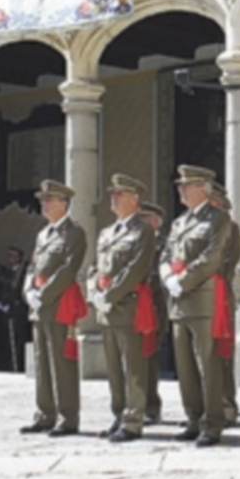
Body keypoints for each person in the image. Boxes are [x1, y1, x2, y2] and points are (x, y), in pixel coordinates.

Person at [159, 165, 232, 447]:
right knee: (185, 366)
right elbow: (166, 253)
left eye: (187, 185)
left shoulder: (218, 218)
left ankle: (213, 423)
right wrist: (167, 275)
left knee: (208, 364)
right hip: (179, 302)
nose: (181, 190)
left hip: (202, 299)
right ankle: (193, 417)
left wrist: (184, 280)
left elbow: (212, 257)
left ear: (203, 188)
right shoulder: (180, 222)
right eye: (180, 185)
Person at [87, 174, 156, 442]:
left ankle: (133, 420)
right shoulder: (107, 232)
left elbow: (136, 269)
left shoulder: (142, 231)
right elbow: (96, 266)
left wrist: (110, 294)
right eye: (113, 194)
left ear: (134, 199)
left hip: (128, 306)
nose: (113, 199)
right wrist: (93, 288)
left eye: (120, 194)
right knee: (114, 368)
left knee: (133, 367)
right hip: (107, 309)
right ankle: (118, 414)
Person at [20, 180, 87, 437]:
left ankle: (68, 417)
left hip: (59, 305)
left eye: (49, 200)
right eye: (42, 200)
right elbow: (32, 266)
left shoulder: (74, 233)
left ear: (64, 204)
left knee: (62, 361)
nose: (44, 204)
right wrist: (28, 290)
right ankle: (45, 414)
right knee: (42, 362)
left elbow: (68, 268)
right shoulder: (43, 234)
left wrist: (44, 294)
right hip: (39, 307)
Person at [209, 182, 240, 427]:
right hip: (198, 297)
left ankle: (227, 405)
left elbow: (229, 262)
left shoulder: (230, 228)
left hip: (218, 294)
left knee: (222, 353)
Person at [139, 201, 168, 425]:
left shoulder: (163, 245)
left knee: (149, 356)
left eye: (145, 219)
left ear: (156, 222)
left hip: (155, 304)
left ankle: (150, 406)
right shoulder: (135, 242)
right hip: (134, 303)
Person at [0, 246, 30, 372]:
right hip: (5, 310)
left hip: (18, 311)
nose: (10, 259)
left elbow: (16, 289)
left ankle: (18, 365)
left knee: (18, 339)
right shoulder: (5, 272)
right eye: (9, 256)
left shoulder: (22, 271)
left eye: (13, 256)